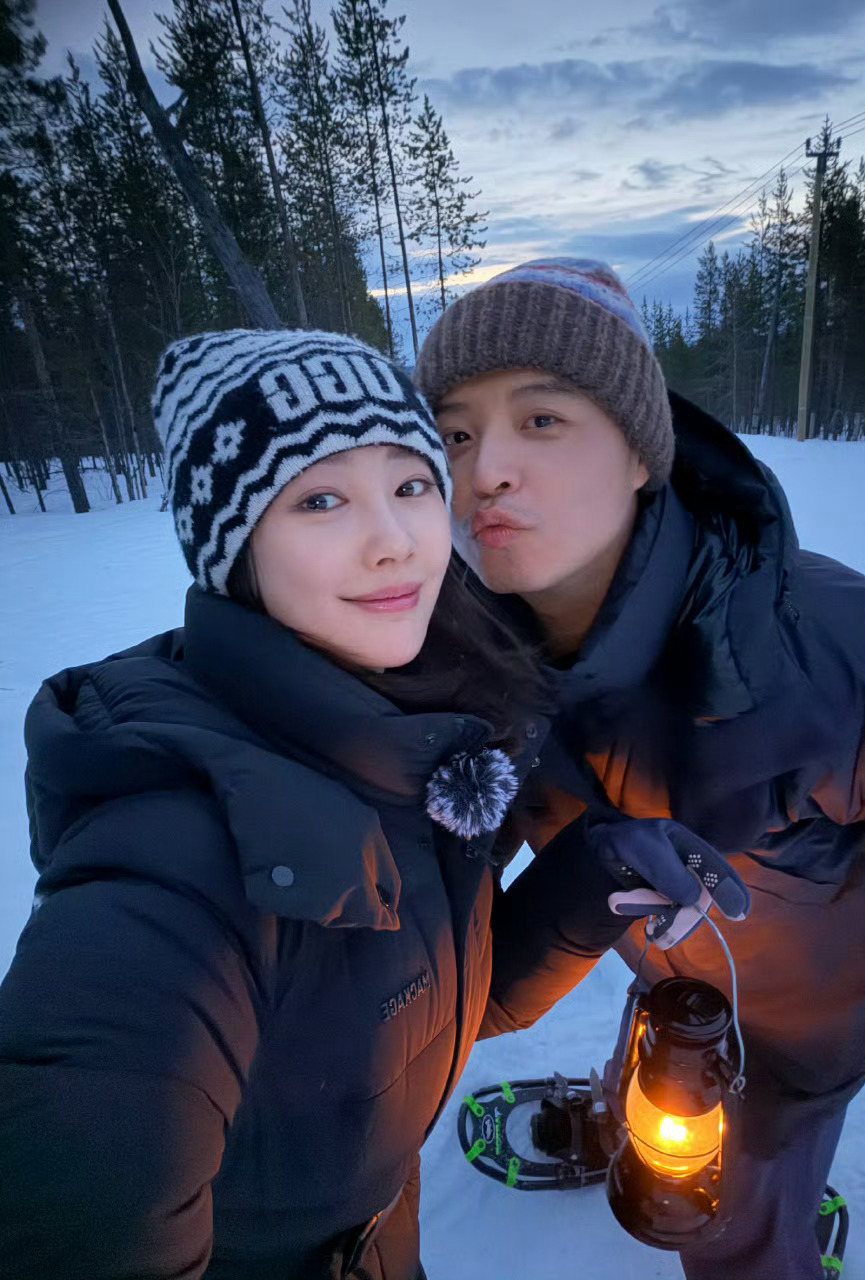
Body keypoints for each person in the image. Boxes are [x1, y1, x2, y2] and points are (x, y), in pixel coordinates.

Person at [0, 329, 633, 1280]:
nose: (395, 541)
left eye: (411, 485)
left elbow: (417, 1017)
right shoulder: (166, 869)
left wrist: (594, 881)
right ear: (235, 550)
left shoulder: (417, 730)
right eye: (321, 499)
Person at [415, 258, 865, 1280]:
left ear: (639, 451)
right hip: (665, 977)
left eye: (541, 419)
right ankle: (636, 1115)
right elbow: (459, 913)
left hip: (812, 1022)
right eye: (455, 434)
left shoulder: (819, 641)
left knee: (734, 1219)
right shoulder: (471, 673)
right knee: (660, 1063)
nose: (486, 470)